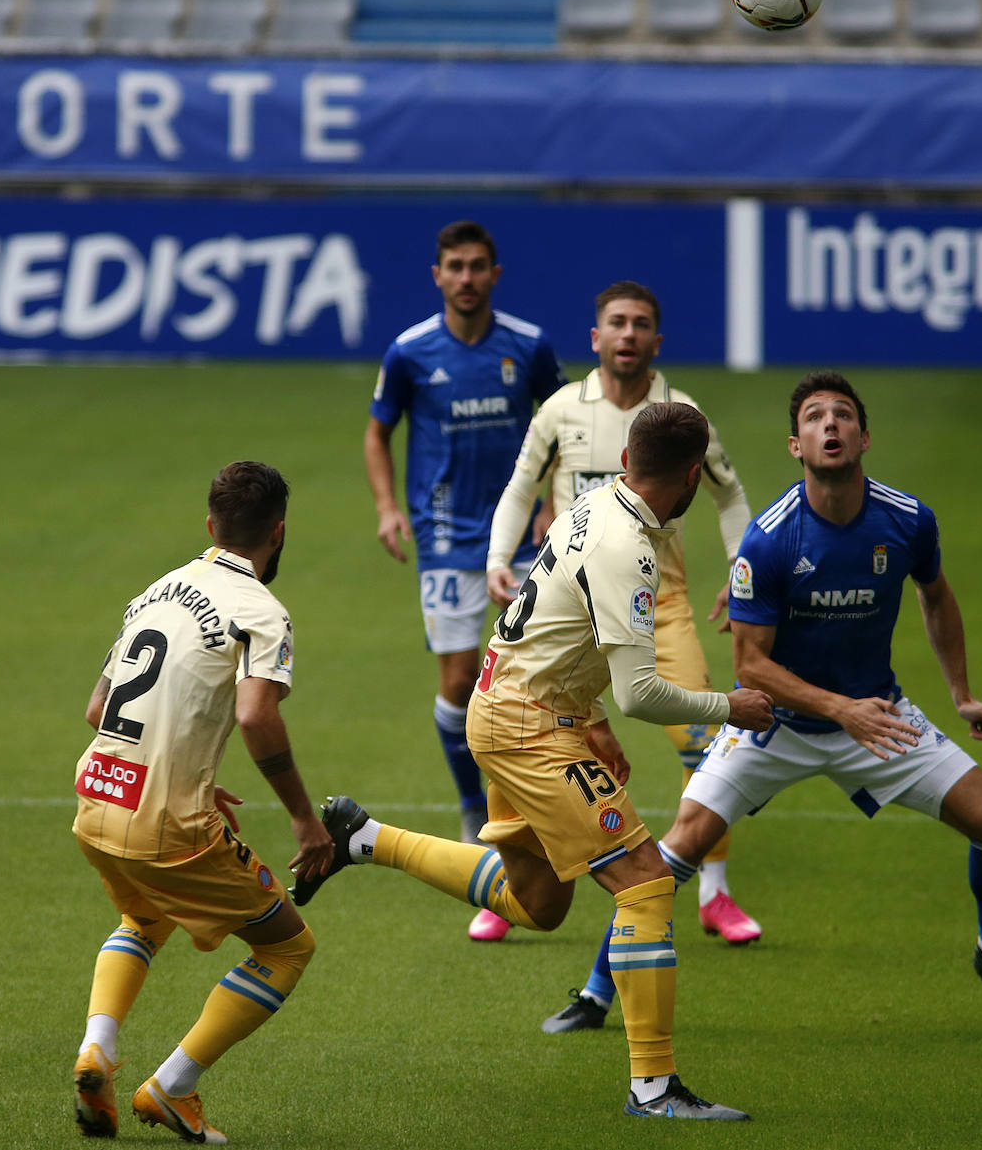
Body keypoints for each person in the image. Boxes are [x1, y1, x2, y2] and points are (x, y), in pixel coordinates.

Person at [552, 370, 982, 1037]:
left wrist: (962, 694)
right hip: (774, 726)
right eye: (814, 417)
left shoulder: (908, 519)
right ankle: (594, 995)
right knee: (674, 850)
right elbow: (751, 666)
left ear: (864, 437)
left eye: (843, 415)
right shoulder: (770, 538)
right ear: (795, 445)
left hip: (878, 719)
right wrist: (840, 709)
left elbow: (936, 595)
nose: (830, 424)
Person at [293, 403, 775, 1119]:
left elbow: (558, 626)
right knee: (645, 881)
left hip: (507, 706)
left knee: (539, 904)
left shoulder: (593, 503)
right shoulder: (629, 547)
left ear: (628, 459)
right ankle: (654, 1088)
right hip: (531, 728)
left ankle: (364, 838)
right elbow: (640, 692)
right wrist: (729, 706)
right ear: (688, 477)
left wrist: (592, 721)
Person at [483, 281, 761, 1031]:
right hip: (582, 609)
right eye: (617, 322)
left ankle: (715, 890)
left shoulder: (681, 418)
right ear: (596, 336)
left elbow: (733, 497)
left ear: (656, 341)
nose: (629, 334)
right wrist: (498, 557)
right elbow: (520, 486)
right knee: (529, 737)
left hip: (652, 606)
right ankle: (514, 881)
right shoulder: (560, 412)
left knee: (702, 747)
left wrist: (741, 578)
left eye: (642, 324)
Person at [71, 462, 334, 1144]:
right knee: (287, 948)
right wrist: (304, 818)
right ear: (279, 532)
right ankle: (171, 1087)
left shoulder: (155, 592)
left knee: (143, 913)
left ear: (210, 524)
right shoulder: (262, 611)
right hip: (166, 826)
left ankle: (97, 1047)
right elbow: (255, 716)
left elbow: (99, 707)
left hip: (97, 797)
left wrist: (180, 768)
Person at [364, 219, 567, 942]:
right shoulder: (410, 351)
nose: (467, 277)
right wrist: (388, 506)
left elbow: (564, 425)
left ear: (495, 274)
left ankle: (532, 824)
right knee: (458, 685)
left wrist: (551, 502)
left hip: (522, 535)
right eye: (455, 266)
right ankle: (473, 814)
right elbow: (378, 430)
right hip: (447, 535)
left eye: (478, 266)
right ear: (438, 275)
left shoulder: (529, 345)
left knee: (528, 682)